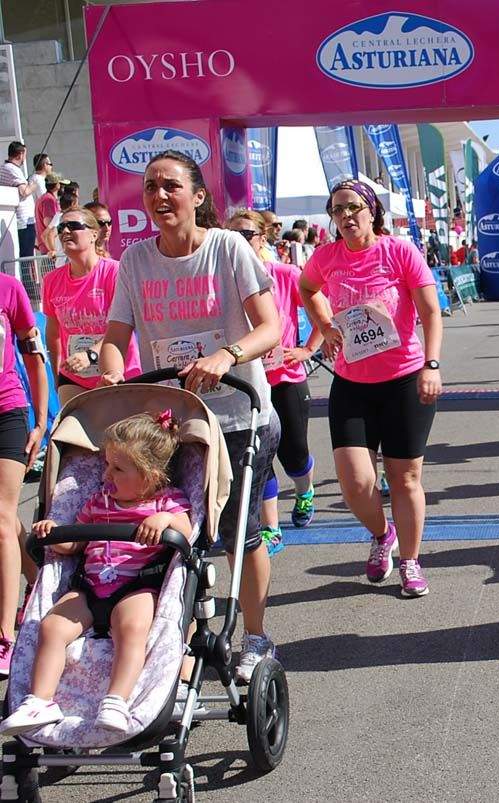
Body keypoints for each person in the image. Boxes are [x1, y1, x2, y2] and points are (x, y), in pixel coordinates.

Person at [98, 150, 282, 683]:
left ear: (198, 197)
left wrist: (228, 355)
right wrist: (110, 373)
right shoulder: (134, 261)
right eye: (150, 187)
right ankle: (177, 639)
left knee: (235, 532)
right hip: (173, 421)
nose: (159, 196)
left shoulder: (227, 248)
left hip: (238, 415)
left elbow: (270, 327)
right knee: (174, 530)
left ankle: (254, 634)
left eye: (171, 186)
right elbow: (116, 339)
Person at [0, 411, 190, 735]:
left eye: (117, 468)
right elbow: (75, 545)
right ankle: (39, 701)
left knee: (131, 627)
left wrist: (165, 522)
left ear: (149, 475)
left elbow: (187, 530)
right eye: (106, 464)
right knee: (52, 626)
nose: (106, 474)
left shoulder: (166, 502)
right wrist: (57, 534)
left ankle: (116, 700)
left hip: (137, 584)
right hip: (90, 585)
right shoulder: (97, 502)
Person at [299, 180, 442, 597]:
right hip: (352, 382)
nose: (345, 216)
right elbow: (307, 289)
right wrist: (324, 325)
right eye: (337, 209)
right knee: (356, 484)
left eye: (353, 207)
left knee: (405, 478)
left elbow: (430, 311)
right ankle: (383, 534)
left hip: (404, 380)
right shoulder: (326, 256)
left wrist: (432, 365)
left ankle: (411, 562)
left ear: (372, 211)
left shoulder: (399, 251)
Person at [227, 211, 321, 554]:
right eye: (231, 234)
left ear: (262, 238)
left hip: (285, 377)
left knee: (294, 454)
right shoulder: (224, 278)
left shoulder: (284, 274)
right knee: (259, 455)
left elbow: (320, 310)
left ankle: (304, 490)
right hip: (247, 382)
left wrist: (307, 349)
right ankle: (271, 527)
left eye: (246, 234)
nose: (238, 241)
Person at [42, 208, 141, 406]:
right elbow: (53, 333)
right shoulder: (51, 280)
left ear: (94, 235)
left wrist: (91, 354)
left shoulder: (115, 272)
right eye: (61, 227)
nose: (65, 231)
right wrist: (57, 375)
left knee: (120, 435)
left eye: (74, 226)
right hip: (75, 378)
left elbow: (124, 327)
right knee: (73, 434)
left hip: (118, 374)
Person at [0, 270, 47, 676]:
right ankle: (38, 578)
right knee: (4, 519)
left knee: (0, 517)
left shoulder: (8, 287)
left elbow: (34, 356)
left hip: (8, 411)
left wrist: (40, 422)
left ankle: (4, 635)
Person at [0, 142, 36, 258]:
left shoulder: (6, 168)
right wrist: (32, 186)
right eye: (24, 155)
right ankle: (27, 277)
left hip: (21, 221)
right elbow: (24, 192)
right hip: (23, 221)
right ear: (20, 154)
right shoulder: (12, 169)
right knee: (26, 256)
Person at [34, 174, 61, 256]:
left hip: (47, 246)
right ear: (57, 185)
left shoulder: (44, 198)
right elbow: (49, 224)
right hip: (50, 248)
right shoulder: (48, 200)